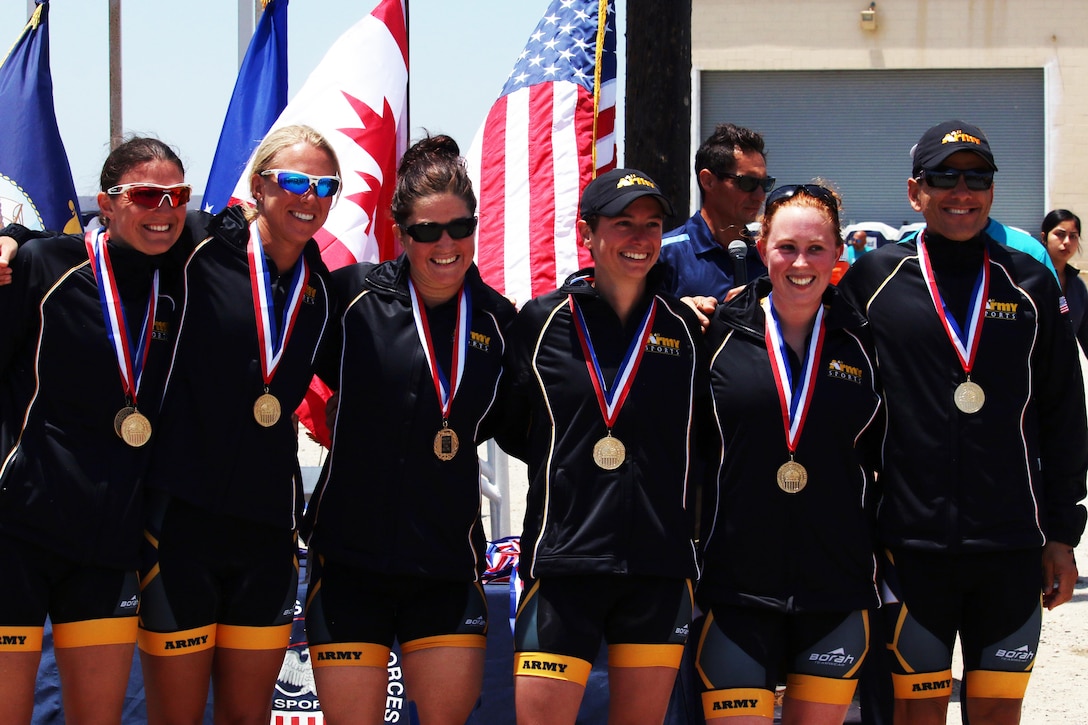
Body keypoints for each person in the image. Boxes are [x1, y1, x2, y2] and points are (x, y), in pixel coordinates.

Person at [838, 120, 1088, 725]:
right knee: (915, 714)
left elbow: (1063, 413)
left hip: (1011, 545)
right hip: (908, 547)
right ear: (914, 191)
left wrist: (1062, 533)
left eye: (977, 178)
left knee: (998, 714)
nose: (962, 191)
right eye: (944, 177)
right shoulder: (876, 278)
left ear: (993, 190)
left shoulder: (1029, 282)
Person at [301, 135, 516, 724]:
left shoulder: (501, 323)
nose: (445, 244)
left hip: (445, 567)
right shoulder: (351, 297)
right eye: (427, 231)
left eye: (459, 227)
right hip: (348, 563)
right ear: (401, 232)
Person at [136, 125, 338, 725]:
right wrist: (15, 237)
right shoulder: (193, 246)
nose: (310, 196)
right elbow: (104, 246)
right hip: (180, 524)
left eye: (325, 185)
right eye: (295, 181)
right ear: (259, 185)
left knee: (247, 718)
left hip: (267, 531)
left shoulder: (321, 290)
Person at [497, 168, 710, 725]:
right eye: (623, 224)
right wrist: (571, 471)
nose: (639, 238)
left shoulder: (686, 329)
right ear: (586, 233)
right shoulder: (541, 323)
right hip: (564, 565)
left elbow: (700, 437)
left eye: (652, 225)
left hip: (658, 568)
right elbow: (514, 425)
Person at [0, 137, 196, 724]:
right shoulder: (43, 268)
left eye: (176, 195)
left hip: (108, 544)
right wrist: (18, 239)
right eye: (145, 195)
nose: (163, 209)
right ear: (107, 205)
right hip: (17, 531)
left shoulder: (181, 282)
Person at [697, 183, 882, 724]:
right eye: (786, 248)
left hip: (836, 586)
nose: (801, 263)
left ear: (838, 255)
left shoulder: (864, 342)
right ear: (762, 250)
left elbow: (889, 452)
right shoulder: (715, 334)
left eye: (816, 248)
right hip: (736, 587)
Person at [659, 123, 774, 299]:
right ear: (708, 181)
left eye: (765, 184)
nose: (760, 196)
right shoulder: (664, 255)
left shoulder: (771, 254)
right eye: (748, 183)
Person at [1040, 209, 1088, 353]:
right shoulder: (1030, 278)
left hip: (1064, 369)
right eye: (1060, 235)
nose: (1067, 242)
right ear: (1044, 237)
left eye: (1073, 236)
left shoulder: (1077, 286)